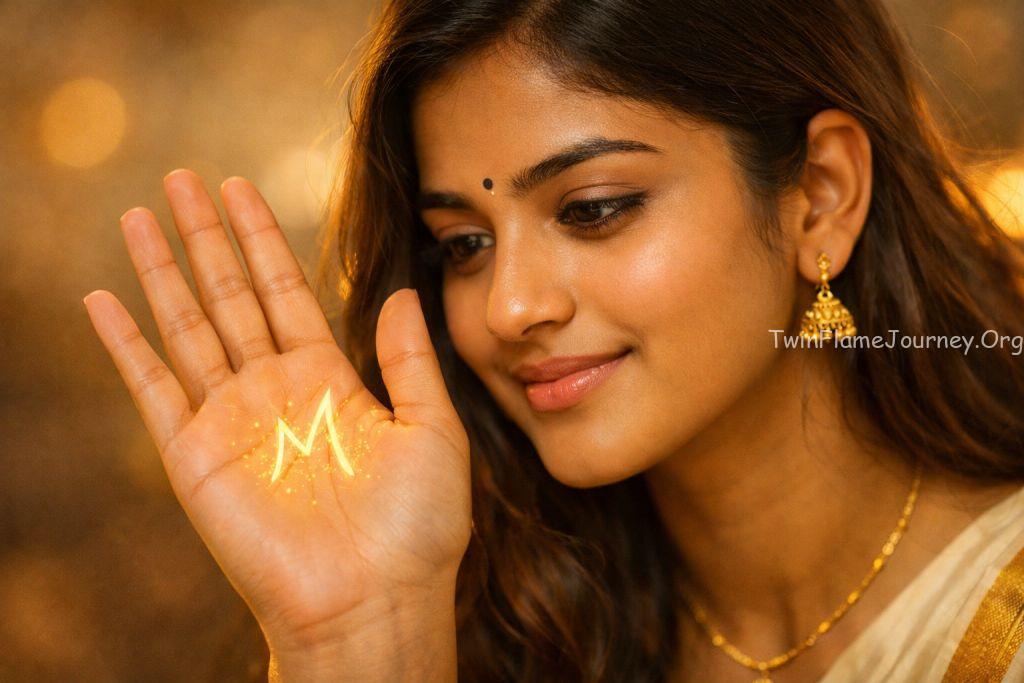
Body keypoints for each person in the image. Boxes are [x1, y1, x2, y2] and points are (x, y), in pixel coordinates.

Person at [82, 0, 1024, 681]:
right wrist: (358, 637)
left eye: (593, 208)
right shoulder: (518, 626)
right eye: (463, 245)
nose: (508, 307)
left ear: (821, 194)